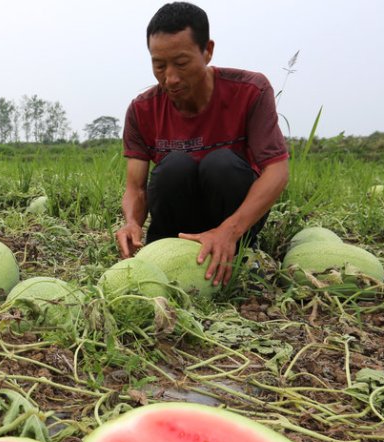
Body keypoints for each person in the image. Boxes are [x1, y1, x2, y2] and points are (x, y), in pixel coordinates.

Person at [115, 2, 289, 286]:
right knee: (174, 165)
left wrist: (229, 231)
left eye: (181, 64)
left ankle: (241, 252)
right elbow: (135, 187)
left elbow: (277, 172)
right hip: (177, 226)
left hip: (233, 220)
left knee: (221, 164)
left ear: (207, 50)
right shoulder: (142, 109)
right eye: (159, 66)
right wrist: (133, 222)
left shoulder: (250, 91)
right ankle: (167, 253)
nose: (170, 78)